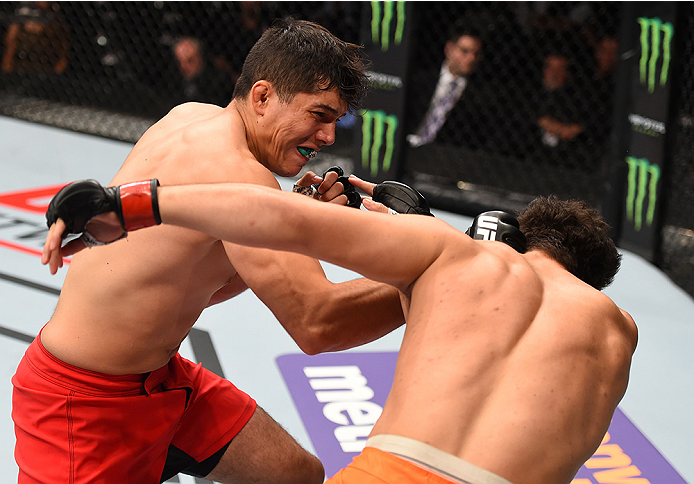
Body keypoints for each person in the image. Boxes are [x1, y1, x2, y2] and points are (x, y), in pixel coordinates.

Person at [13, 18, 407, 484]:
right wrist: (429, 271)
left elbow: (203, 281)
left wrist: (294, 217)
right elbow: (319, 325)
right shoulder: (238, 174)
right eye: (318, 115)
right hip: (82, 406)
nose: (328, 137)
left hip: (163, 381)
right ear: (262, 97)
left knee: (293, 474)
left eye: (334, 120)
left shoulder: (189, 115)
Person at [42, 176, 638, 484]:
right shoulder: (617, 330)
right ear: (594, 282)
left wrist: (129, 203)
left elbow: (286, 219)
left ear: (525, 241)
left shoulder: (461, 258)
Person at [406, 23, 485, 148]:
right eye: (464, 51)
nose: (471, 58)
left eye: (476, 54)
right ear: (449, 49)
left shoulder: (479, 96)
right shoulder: (421, 78)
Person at [534, 51, 587, 166]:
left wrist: (557, 128)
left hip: (567, 161)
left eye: (560, 69)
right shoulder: (532, 94)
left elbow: (577, 128)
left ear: (567, 74)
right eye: (550, 68)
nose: (554, 74)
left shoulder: (576, 100)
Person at [1, 1, 70, 74]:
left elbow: (63, 37)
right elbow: (11, 40)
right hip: (23, 59)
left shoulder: (54, 13)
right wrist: (8, 59)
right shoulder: (23, 9)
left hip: (44, 60)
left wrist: (62, 58)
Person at [169, 36, 233, 107]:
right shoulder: (176, 81)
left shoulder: (219, 81)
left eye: (190, 60)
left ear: (199, 58)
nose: (183, 67)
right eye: (179, 62)